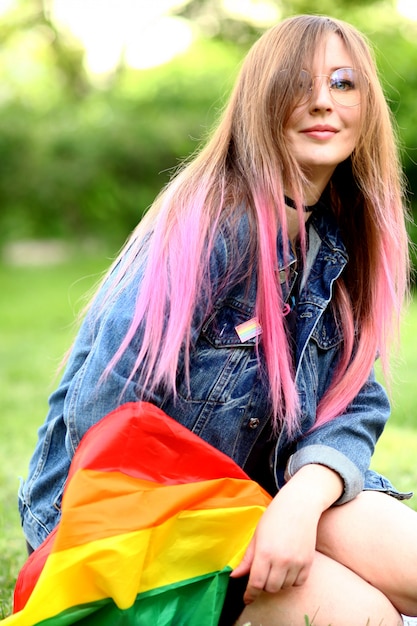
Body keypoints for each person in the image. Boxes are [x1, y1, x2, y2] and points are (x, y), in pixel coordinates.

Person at [18, 14, 417, 626]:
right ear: (261, 101)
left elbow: (356, 404)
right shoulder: (209, 227)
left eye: (343, 83)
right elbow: (105, 415)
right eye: (297, 82)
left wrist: (299, 504)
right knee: (368, 618)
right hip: (137, 520)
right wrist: (245, 522)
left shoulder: (341, 240)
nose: (321, 102)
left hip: (266, 491)